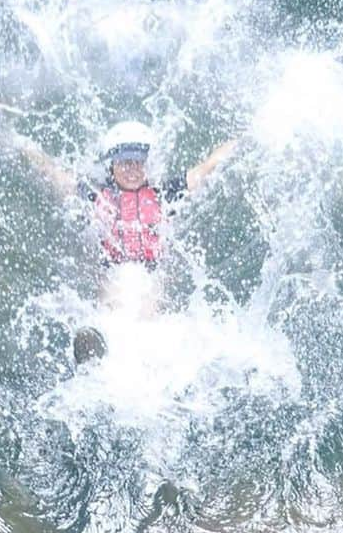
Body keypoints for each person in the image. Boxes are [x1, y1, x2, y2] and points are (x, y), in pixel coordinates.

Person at [13, 119, 235, 362]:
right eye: (124, 162)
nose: (132, 169)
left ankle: (148, 354)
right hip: (114, 272)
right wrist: (19, 143)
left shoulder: (166, 194)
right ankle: (99, 343)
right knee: (113, 294)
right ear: (112, 164)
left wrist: (246, 138)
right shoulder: (95, 196)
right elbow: (53, 172)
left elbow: (208, 166)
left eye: (138, 162)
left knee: (149, 298)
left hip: (151, 272)